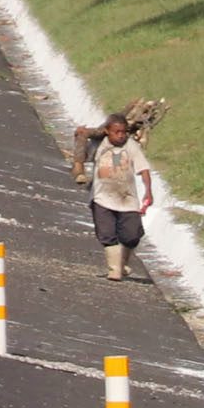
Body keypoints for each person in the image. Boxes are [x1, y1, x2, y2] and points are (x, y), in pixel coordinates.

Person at [87, 113, 156, 282]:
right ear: (107, 131)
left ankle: (122, 262)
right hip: (102, 197)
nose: (120, 135)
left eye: (123, 132)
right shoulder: (98, 145)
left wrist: (148, 190)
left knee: (132, 235)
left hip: (127, 199)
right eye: (116, 132)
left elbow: (144, 169)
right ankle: (115, 270)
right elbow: (81, 153)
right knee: (106, 233)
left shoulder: (131, 146)